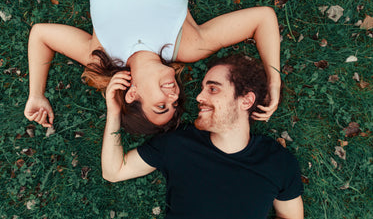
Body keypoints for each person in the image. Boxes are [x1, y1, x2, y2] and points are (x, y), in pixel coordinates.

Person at [24, 0, 281, 134]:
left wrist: (36, 94)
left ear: (132, 93)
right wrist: (274, 81)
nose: (173, 95)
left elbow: (40, 35)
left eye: (161, 105)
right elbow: (263, 18)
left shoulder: (100, 55)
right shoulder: (188, 44)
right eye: (175, 103)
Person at [101, 54, 304, 219]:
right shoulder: (178, 144)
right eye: (203, 89)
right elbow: (114, 171)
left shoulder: (277, 162)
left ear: (246, 100)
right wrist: (114, 110)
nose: (199, 97)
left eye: (213, 89)